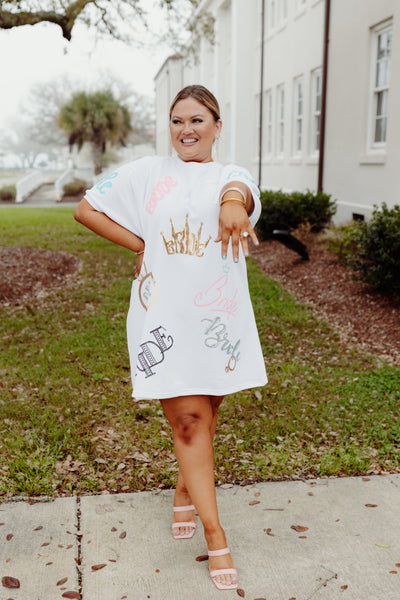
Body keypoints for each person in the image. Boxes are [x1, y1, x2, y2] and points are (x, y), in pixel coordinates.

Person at [74, 84, 267, 591]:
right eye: (178, 120)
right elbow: (86, 209)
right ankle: (216, 533)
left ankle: (186, 490)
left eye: (198, 120)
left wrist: (231, 204)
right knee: (187, 422)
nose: (187, 130)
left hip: (219, 322)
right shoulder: (145, 173)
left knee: (207, 413)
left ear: (217, 126)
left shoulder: (233, 176)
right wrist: (142, 244)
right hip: (161, 318)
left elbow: (241, 192)